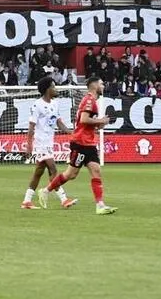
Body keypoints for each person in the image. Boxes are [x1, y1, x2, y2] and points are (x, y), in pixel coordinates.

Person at [39, 76, 117, 215]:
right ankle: (45, 191)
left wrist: (100, 123)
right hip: (80, 143)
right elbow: (84, 119)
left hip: (89, 143)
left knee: (96, 170)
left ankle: (100, 205)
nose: (103, 86)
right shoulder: (89, 100)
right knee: (71, 174)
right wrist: (100, 121)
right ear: (94, 86)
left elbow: (87, 123)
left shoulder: (92, 101)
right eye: (101, 83)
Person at [22, 77, 77, 209]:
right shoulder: (37, 105)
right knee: (53, 169)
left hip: (49, 142)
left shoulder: (55, 104)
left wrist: (71, 133)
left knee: (38, 172)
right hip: (41, 142)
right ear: (47, 89)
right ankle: (63, 199)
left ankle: (26, 201)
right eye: (53, 86)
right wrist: (29, 145)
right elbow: (31, 126)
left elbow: (59, 122)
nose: (55, 89)